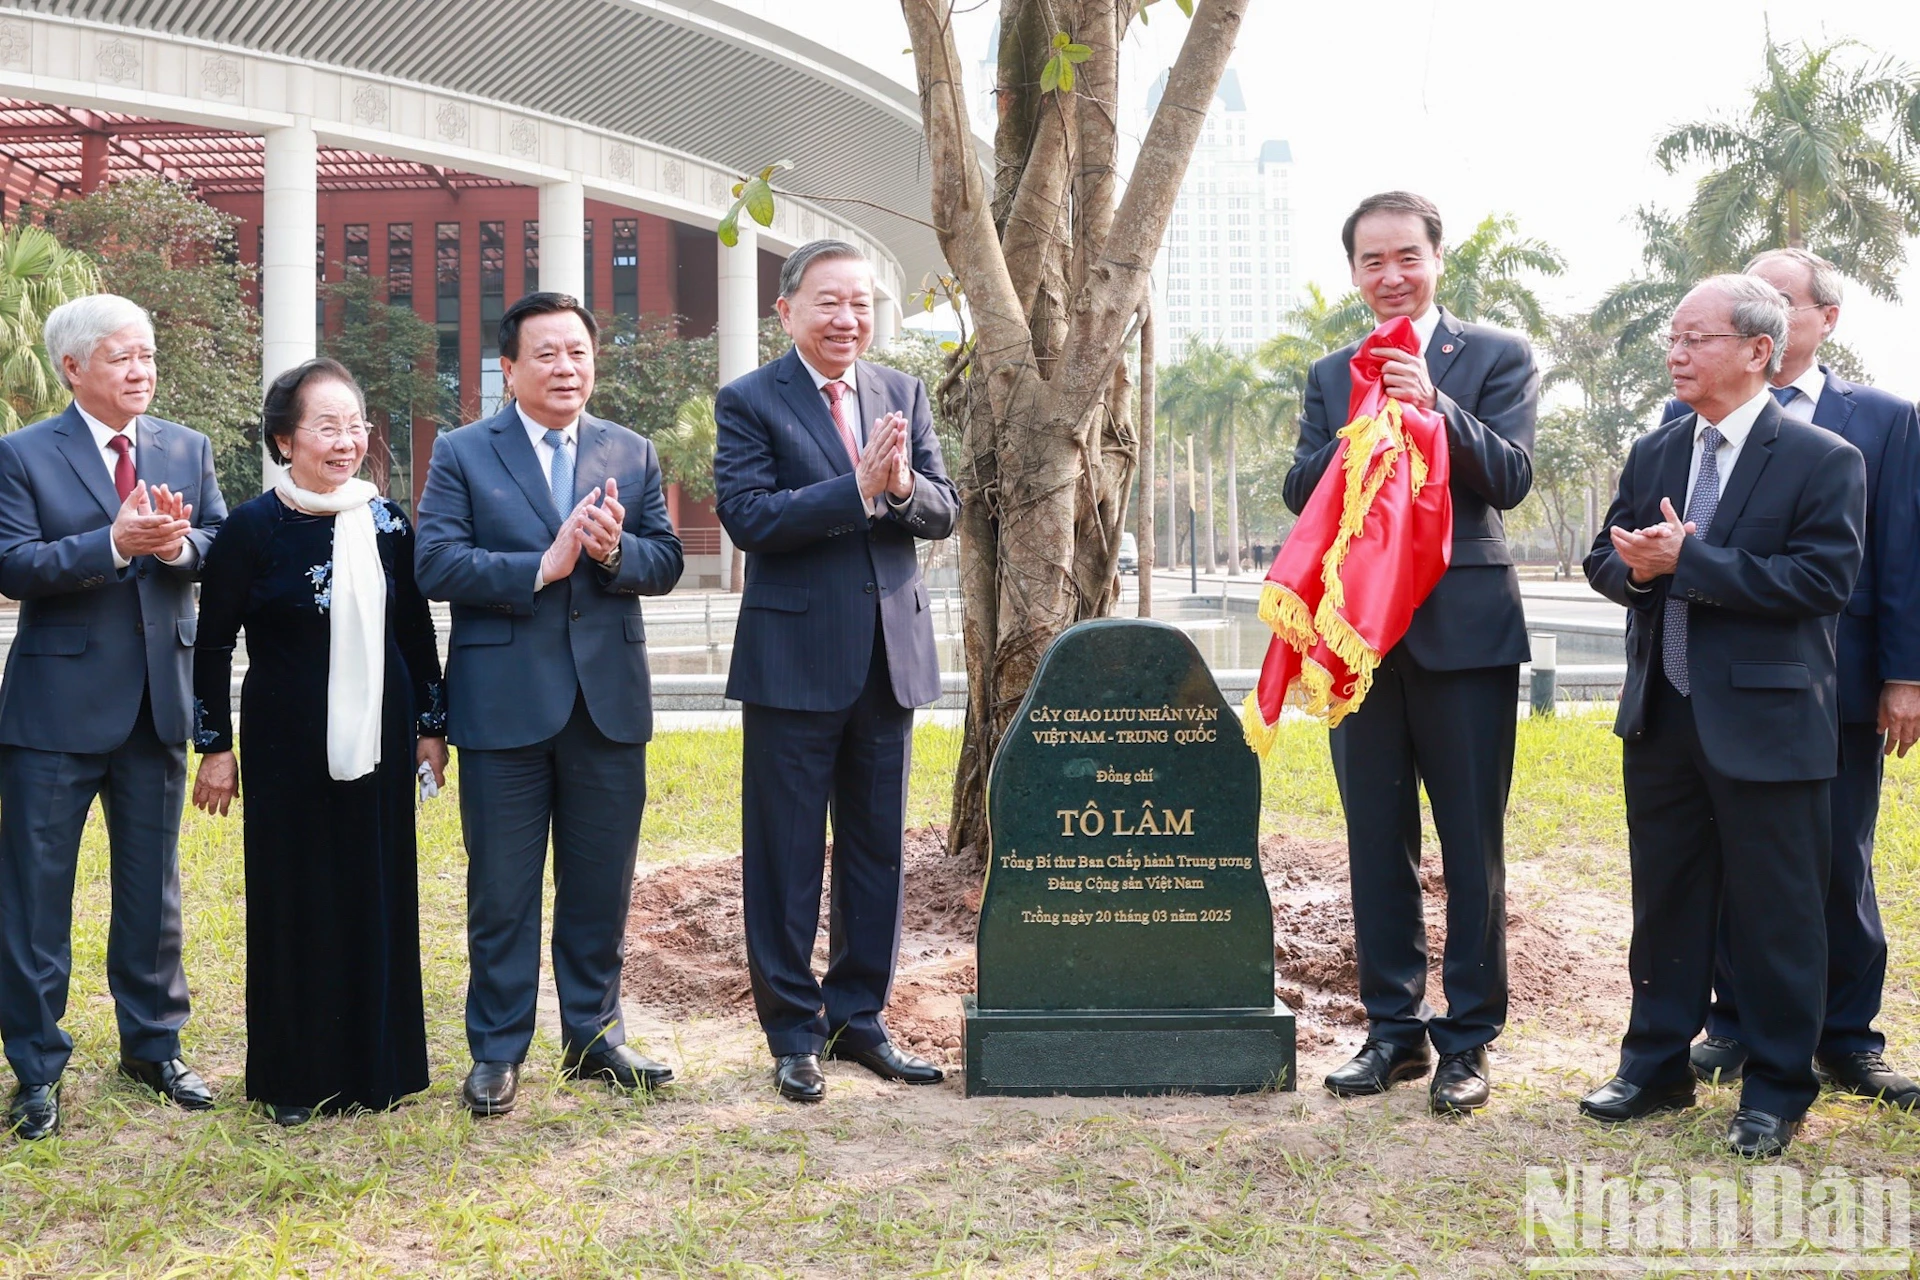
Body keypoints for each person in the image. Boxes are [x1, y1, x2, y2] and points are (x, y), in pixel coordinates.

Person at [1579, 275, 1865, 1158]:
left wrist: (1691, 561)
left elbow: (1822, 584)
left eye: (1696, 337)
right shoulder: (1655, 451)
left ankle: (1777, 1088)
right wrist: (1635, 568)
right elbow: (1606, 558)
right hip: (1663, 717)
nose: (1675, 352)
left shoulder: (1823, 458)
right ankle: (1655, 1064)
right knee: (1665, 901)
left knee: (1780, 914)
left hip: (1771, 727)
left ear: (1756, 351)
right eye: (1673, 336)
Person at [1283, 192, 1537, 1116]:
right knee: (1374, 841)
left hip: (1464, 633)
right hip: (1360, 638)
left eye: (1406, 257)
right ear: (1353, 273)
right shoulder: (1329, 370)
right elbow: (1299, 487)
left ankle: (1468, 1040)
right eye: (1370, 262)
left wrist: (1434, 408)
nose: (1389, 276)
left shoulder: (1496, 357)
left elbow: (1508, 476)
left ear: (1437, 259)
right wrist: (1356, 426)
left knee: (1472, 844)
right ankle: (1392, 1030)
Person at [415, 291, 683, 1117]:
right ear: (509, 368)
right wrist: (543, 563)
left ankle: (595, 1036)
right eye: (547, 354)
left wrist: (613, 552)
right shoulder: (463, 452)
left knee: (600, 884)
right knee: (503, 890)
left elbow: (666, 558)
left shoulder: (630, 451)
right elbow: (435, 564)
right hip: (503, 706)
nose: (567, 367)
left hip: (608, 705)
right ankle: (497, 1051)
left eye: (579, 353)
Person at [713, 239, 959, 1104]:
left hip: (889, 660)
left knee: (875, 851)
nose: (847, 318)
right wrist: (852, 490)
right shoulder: (749, 400)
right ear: (786, 311)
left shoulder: (903, 392)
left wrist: (896, 492)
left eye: (860, 303)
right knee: (784, 856)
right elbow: (747, 517)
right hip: (792, 664)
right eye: (828, 302)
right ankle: (792, 1032)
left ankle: (860, 1019)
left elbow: (942, 506)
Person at [1680, 250, 1920, 1109]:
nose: (1761, 311)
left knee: (1836, 864)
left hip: (1844, 682)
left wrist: (1905, 675)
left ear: (1824, 319)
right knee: (1738, 861)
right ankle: (1736, 1024)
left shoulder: (1883, 419)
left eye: (1778, 299)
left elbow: (1899, 555)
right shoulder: (1701, 417)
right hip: (1734, 687)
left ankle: (1848, 1038)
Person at [188, 359, 446, 1126]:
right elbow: (210, 645)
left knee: (377, 887)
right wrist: (215, 745)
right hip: (283, 741)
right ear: (284, 438)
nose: (346, 441)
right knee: (293, 900)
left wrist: (434, 727)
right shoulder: (252, 527)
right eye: (326, 426)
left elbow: (416, 632)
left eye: (355, 425)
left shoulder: (389, 523)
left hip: (382, 737)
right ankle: (292, 1078)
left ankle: (380, 1068)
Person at [0, 294, 227, 1140]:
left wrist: (176, 546)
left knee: (151, 891)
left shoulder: (185, 446)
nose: (142, 370)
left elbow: (218, 541)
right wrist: (111, 545)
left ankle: (154, 1047)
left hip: (155, 706)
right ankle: (35, 1066)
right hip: (53, 715)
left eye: (148, 354)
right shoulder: (21, 456)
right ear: (73, 368)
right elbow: (12, 563)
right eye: (123, 357)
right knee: (33, 898)